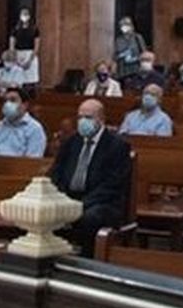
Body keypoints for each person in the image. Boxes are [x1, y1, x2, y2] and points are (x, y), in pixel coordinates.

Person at [49, 99, 133, 252]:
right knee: (42, 210)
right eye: (80, 117)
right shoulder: (71, 142)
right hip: (69, 198)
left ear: (101, 119)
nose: (82, 121)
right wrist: (61, 198)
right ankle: (52, 257)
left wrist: (81, 204)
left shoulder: (117, 146)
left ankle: (86, 261)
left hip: (101, 203)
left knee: (90, 217)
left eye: (88, 117)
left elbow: (112, 186)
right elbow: (56, 173)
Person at [0, 89, 47, 157]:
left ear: (25, 105)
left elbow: (32, 161)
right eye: (5, 101)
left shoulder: (35, 129)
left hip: (20, 166)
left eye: (13, 100)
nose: (7, 104)